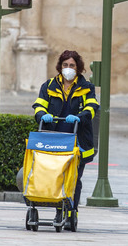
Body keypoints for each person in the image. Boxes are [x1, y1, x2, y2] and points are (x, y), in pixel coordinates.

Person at [32, 50, 99, 223]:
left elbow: (91, 108)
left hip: (78, 142)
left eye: (72, 66)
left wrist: (80, 116)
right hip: (55, 140)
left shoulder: (86, 88)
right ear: (60, 66)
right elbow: (39, 106)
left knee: (74, 179)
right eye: (65, 65)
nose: (68, 68)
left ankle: (71, 211)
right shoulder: (49, 86)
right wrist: (42, 116)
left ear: (78, 68)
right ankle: (59, 210)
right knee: (56, 177)